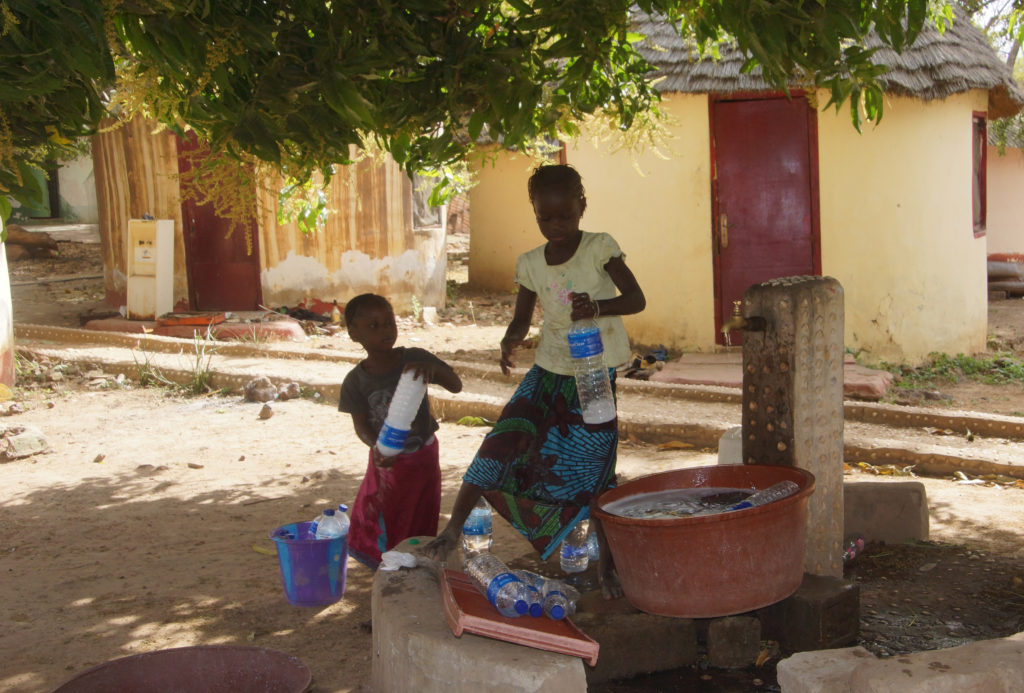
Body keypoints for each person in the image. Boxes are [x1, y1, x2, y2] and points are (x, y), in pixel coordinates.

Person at [424, 164, 646, 598]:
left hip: (591, 378)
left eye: (565, 216)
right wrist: (509, 342)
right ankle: (452, 531)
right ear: (535, 214)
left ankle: (609, 567)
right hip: (547, 372)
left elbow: (636, 299)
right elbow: (521, 319)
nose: (556, 226)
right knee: (500, 444)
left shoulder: (600, 248)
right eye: (546, 218)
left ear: (582, 206)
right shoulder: (530, 263)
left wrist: (597, 307)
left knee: (595, 472)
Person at [338, 293, 463, 569]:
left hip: (422, 457)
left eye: (389, 323)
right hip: (387, 460)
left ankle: (416, 557)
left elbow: (456, 385)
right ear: (353, 334)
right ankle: (385, 560)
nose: (385, 330)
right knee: (386, 512)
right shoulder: (355, 381)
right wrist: (378, 447)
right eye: (374, 326)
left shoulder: (415, 359)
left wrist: (431, 370)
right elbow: (361, 425)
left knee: (420, 508)